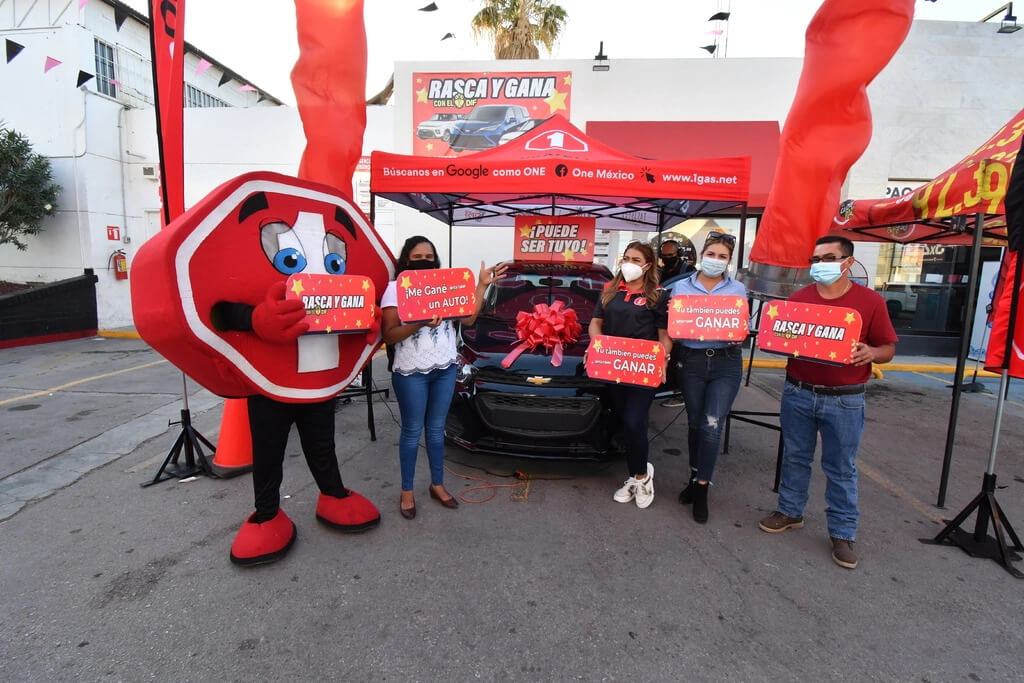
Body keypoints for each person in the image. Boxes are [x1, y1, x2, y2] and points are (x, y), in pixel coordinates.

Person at [758, 235, 898, 570]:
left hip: (845, 400)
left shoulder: (870, 301)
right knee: (795, 456)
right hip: (798, 392)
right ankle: (790, 511)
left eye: (829, 258)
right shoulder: (798, 299)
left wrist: (871, 353)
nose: (820, 265)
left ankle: (843, 533)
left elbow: (888, 348)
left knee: (841, 468)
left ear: (848, 262)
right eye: (816, 259)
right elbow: (781, 337)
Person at [381, 236, 506, 520]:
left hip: (445, 368)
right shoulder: (395, 289)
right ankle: (407, 491)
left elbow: (469, 319)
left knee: (437, 431)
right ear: (406, 260)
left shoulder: (447, 286)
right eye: (417, 257)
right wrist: (418, 323)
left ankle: (437, 484)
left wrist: (482, 285)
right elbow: (389, 335)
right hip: (411, 371)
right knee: (412, 431)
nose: (424, 261)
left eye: (429, 257)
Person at [589, 241, 671, 508]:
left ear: (648, 265)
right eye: (626, 258)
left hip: (643, 369)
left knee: (635, 422)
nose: (629, 264)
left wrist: (664, 359)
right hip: (613, 367)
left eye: (636, 260)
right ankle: (638, 473)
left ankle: (641, 477)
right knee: (627, 423)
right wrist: (596, 345)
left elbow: (664, 335)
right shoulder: (610, 290)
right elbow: (596, 323)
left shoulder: (658, 295)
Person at [671, 231, 746, 524]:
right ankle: (693, 475)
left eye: (722, 256)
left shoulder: (738, 289)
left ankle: (702, 486)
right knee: (694, 423)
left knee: (712, 425)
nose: (716, 260)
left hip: (726, 363)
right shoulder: (681, 287)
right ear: (702, 256)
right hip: (692, 361)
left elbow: (741, 325)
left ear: (729, 261)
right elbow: (674, 328)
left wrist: (739, 333)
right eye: (711, 254)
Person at [658, 239, 697, 408]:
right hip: (662, 318)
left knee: (680, 358)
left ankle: (679, 393)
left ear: (678, 254)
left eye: (670, 255)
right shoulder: (660, 271)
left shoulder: (688, 271)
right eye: (664, 256)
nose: (667, 258)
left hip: (682, 320)